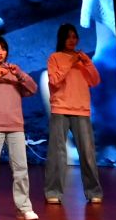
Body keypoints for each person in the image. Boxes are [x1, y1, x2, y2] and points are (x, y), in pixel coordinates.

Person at [0, 36, 40, 220]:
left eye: (3, 48)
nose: (0, 52)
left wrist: (19, 74)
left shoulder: (14, 72)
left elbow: (33, 89)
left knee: (21, 169)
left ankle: (24, 206)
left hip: (15, 126)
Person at [44, 25, 104, 206]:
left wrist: (87, 62)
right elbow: (54, 81)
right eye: (68, 37)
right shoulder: (55, 57)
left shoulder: (82, 60)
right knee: (57, 154)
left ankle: (94, 191)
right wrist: (70, 62)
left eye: (74, 36)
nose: (72, 40)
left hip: (81, 110)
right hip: (60, 108)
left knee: (87, 153)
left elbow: (95, 80)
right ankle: (53, 192)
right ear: (62, 39)